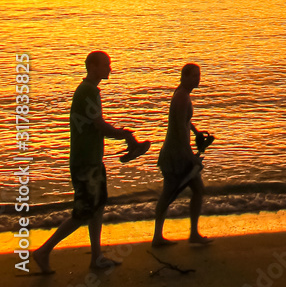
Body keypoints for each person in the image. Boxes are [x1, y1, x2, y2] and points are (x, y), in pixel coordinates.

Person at [31, 51, 141, 273]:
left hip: (91, 160)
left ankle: (96, 257)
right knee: (82, 212)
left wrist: (122, 135)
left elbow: (95, 125)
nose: (110, 68)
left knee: (98, 207)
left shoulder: (89, 90)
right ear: (92, 67)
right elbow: (99, 125)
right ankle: (43, 251)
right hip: (85, 163)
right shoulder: (88, 91)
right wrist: (124, 134)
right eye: (106, 65)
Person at [152, 62, 211, 246]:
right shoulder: (181, 97)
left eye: (198, 75)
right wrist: (191, 156)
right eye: (194, 75)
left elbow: (183, 120)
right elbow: (178, 129)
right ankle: (157, 237)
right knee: (168, 193)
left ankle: (193, 233)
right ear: (184, 77)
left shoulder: (183, 94)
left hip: (181, 152)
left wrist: (195, 132)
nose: (197, 78)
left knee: (198, 190)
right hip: (175, 155)